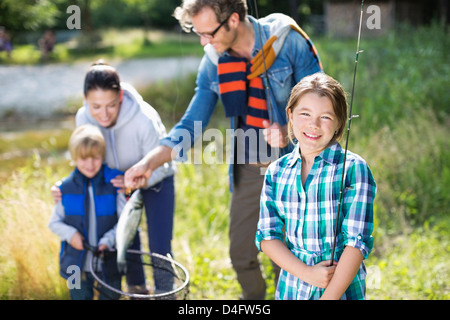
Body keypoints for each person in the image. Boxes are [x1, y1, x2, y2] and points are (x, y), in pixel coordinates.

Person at [124, 0, 322, 299]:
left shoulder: (287, 41)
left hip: (297, 168)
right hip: (250, 169)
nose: (204, 42)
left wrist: (291, 131)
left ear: (232, 20)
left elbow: (324, 104)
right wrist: (148, 163)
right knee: (241, 253)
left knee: (290, 257)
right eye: (198, 34)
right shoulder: (214, 62)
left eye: (209, 33)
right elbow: (192, 123)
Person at [52, 60, 176, 294]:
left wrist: (142, 179)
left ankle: (165, 294)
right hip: (115, 185)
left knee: (160, 244)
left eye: (110, 105)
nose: (103, 114)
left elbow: (165, 163)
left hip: (156, 179)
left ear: (120, 97)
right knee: (125, 239)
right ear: (85, 99)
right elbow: (85, 159)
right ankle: (137, 291)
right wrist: (64, 186)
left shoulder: (143, 119)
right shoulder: (83, 118)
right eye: (95, 106)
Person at [255, 73, 377, 300]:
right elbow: (267, 237)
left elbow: (356, 244)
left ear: (340, 122)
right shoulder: (276, 172)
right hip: (292, 288)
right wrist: (307, 273)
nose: (314, 124)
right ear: (290, 115)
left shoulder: (353, 169)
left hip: (340, 290)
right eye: (305, 114)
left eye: (326, 117)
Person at [49, 124, 124, 300]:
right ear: (74, 158)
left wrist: (108, 240)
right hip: (74, 265)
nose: (90, 164)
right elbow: (54, 223)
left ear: (102, 157)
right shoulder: (64, 189)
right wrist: (71, 234)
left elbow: (124, 222)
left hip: (109, 262)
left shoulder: (115, 186)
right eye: (83, 159)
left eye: (95, 158)